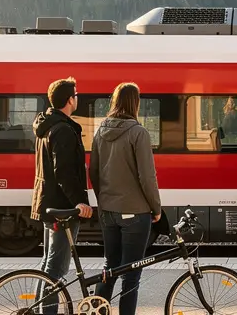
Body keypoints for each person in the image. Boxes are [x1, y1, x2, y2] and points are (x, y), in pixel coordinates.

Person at [89, 82, 162, 315]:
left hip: (107, 211)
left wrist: (104, 201)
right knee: (131, 275)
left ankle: (95, 312)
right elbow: (147, 177)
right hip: (135, 212)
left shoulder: (100, 131)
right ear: (135, 103)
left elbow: (94, 171)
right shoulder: (138, 133)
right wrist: (156, 208)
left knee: (110, 267)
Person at [30, 77, 93, 314]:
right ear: (69, 100)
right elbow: (64, 171)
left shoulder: (47, 125)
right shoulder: (63, 130)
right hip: (62, 207)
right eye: (75, 95)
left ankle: (40, 311)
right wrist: (79, 201)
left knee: (48, 265)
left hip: (48, 202)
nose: (77, 98)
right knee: (56, 269)